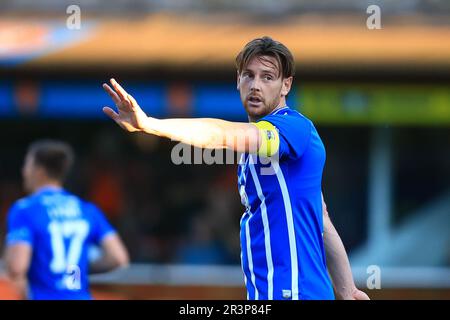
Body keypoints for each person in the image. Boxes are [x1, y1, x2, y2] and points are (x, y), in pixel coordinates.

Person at [102, 36, 369, 300]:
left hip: (293, 293)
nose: (256, 85)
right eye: (249, 75)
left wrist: (149, 124)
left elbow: (221, 134)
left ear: (286, 85)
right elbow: (320, 217)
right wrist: (348, 291)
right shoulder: (255, 149)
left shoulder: (292, 128)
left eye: (267, 77)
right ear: (237, 80)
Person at [4, 140, 129, 300]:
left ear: (39, 170)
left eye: (27, 165)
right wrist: (77, 266)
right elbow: (119, 258)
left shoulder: (25, 209)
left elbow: (16, 267)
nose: (23, 171)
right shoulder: (87, 209)